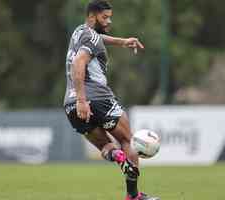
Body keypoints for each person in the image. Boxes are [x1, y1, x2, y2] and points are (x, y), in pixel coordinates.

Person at [64, 1, 160, 200]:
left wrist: (122, 41)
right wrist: (83, 99)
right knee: (128, 140)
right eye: (105, 17)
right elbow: (78, 63)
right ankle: (133, 195)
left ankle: (117, 157)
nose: (109, 21)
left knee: (106, 146)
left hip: (70, 105)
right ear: (92, 16)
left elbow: (97, 38)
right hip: (97, 98)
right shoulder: (90, 37)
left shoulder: (80, 32)